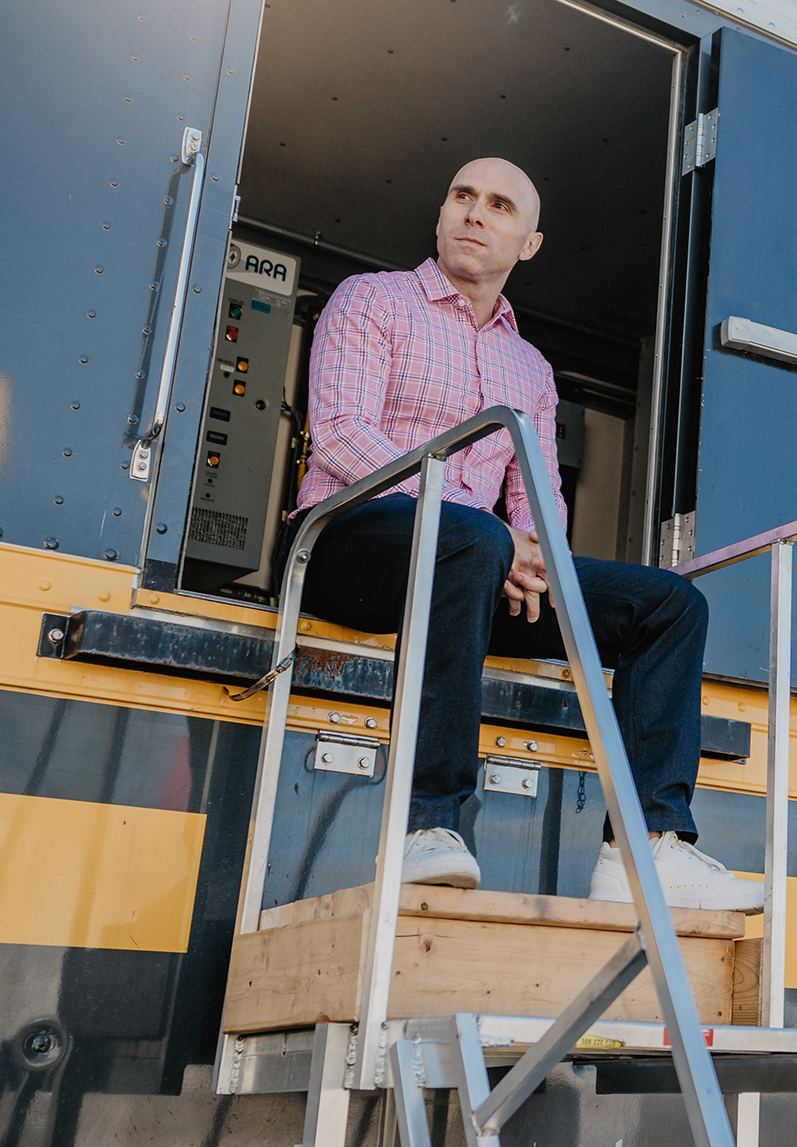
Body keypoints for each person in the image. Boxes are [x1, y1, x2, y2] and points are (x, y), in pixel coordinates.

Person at [295, 157, 762, 912]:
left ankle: (645, 851)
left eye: (499, 206)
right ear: (442, 213)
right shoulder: (371, 300)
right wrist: (489, 534)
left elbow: (539, 502)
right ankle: (429, 826)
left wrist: (531, 553)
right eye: (462, 196)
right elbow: (344, 441)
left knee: (670, 605)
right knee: (471, 543)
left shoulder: (531, 368)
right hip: (349, 544)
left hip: (478, 567)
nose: (475, 213)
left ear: (529, 244)